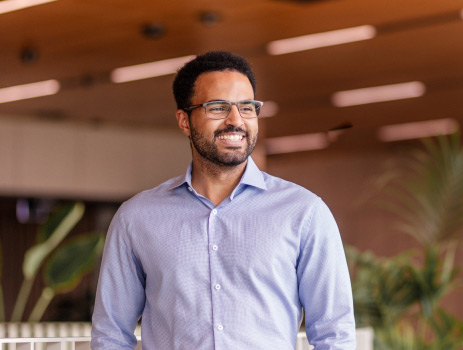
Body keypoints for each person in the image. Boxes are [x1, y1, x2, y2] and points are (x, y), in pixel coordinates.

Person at [91, 51, 356, 349]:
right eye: (218, 107)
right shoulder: (136, 218)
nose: (235, 121)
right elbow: (111, 335)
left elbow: (334, 334)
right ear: (184, 121)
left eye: (246, 107)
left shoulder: (304, 212)